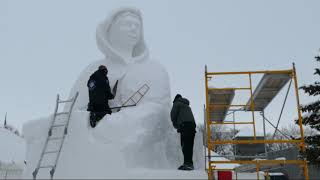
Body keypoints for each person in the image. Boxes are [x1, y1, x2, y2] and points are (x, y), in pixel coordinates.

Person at [171, 94, 196, 170]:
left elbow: (173, 115)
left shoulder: (177, 103)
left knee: (185, 146)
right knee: (189, 146)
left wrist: (175, 125)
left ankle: (187, 164)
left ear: (175, 99)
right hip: (192, 126)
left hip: (185, 126)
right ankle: (189, 164)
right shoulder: (187, 105)